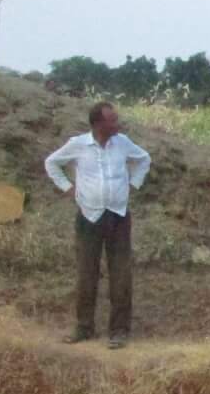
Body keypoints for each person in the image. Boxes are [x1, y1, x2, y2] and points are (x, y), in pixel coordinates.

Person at [44, 102, 152, 349]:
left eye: (116, 119)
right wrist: (67, 188)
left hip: (118, 216)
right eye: (112, 120)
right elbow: (51, 163)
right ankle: (84, 328)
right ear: (98, 124)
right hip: (89, 217)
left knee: (121, 275)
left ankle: (119, 330)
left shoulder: (122, 142)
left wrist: (133, 184)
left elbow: (144, 159)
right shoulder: (78, 145)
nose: (117, 123)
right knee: (86, 274)